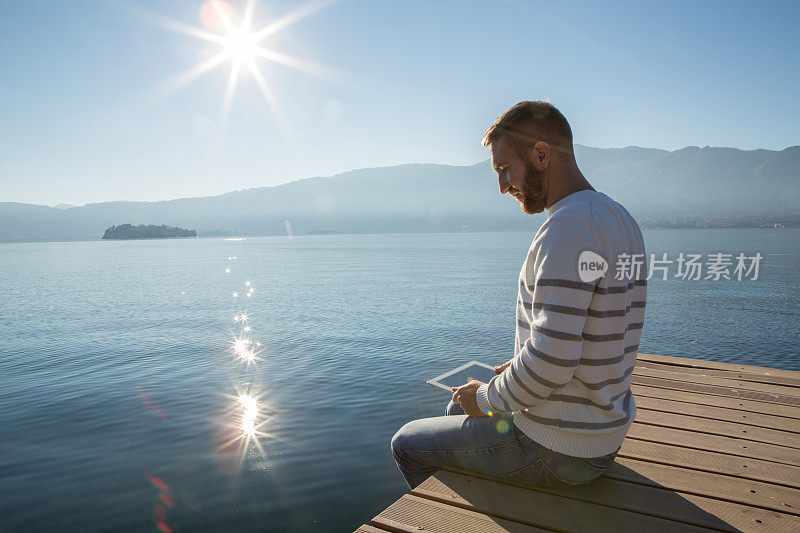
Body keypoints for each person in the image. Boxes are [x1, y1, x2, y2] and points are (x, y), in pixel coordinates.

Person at [390, 101, 647, 490]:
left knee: (406, 442)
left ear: (541, 154)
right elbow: (583, 334)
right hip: (602, 436)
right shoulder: (619, 219)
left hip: (556, 448)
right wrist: (513, 371)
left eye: (504, 168)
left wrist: (490, 397)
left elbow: (553, 360)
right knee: (455, 407)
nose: (503, 185)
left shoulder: (568, 230)